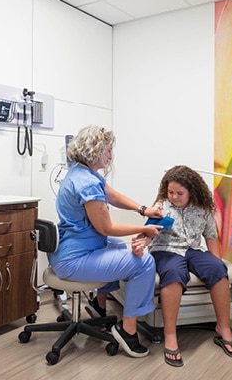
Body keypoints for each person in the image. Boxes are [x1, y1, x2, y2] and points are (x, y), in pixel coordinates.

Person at [49, 125, 163, 358]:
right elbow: (106, 227)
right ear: (95, 151)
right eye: (109, 151)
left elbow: (110, 194)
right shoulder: (87, 183)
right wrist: (145, 229)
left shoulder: (80, 171)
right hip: (75, 260)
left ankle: (99, 306)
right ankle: (128, 330)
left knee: (119, 247)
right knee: (144, 262)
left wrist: (143, 209)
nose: (111, 156)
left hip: (69, 248)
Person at [146, 165, 232, 367]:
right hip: (166, 249)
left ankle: (223, 328)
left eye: (179, 193)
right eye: (170, 192)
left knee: (217, 270)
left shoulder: (204, 209)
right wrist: (142, 243)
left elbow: (211, 237)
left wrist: (218, 263)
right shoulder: (162, 206)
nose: (174, 197)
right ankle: (170, 335)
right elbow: (148, 231)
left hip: (193, 249)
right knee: (174, 272)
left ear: (192, 191)